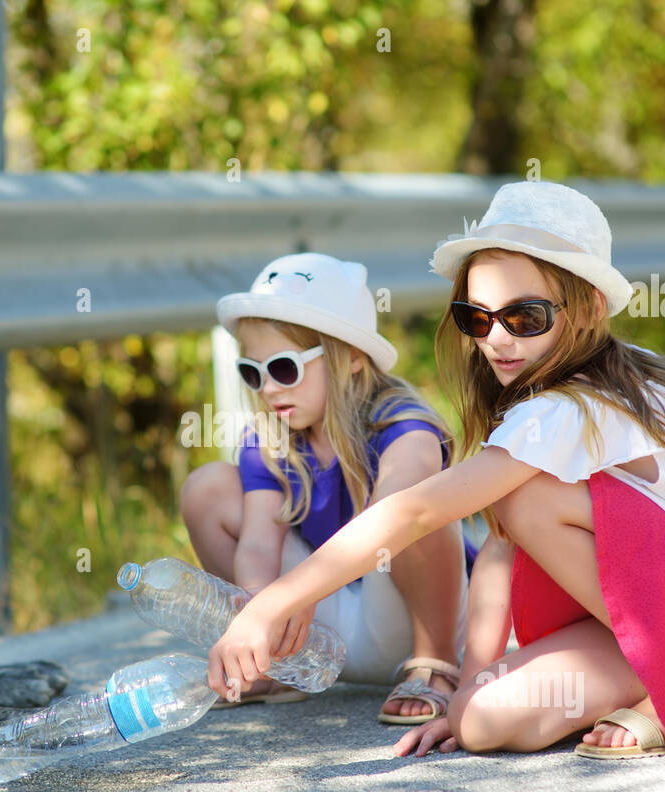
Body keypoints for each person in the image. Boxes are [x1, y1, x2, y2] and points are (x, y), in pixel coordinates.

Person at [207, 181, 665, 760]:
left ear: (588, 307)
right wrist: (467, 686)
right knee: (482, 721)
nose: (498, 338)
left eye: (524, 316)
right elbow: (499, 547)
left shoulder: (578, 406)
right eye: (477, 316)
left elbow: (415, 510)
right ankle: (649, 678)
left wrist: (272, 604)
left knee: (527, 499)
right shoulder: (547, 405)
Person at [181, 251, 477, 725]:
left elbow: (398, 520)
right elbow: (258, 544)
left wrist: (302, 589)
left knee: (411, 506)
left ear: (353, 357)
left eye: (283, 368)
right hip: (313, 632)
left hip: (410, 621)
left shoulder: (404, 426)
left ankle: (436, 664)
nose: (268, 389)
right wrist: (258, 613)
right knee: (207, 488)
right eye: (252, 373)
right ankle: (273, 667)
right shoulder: (273, 439)